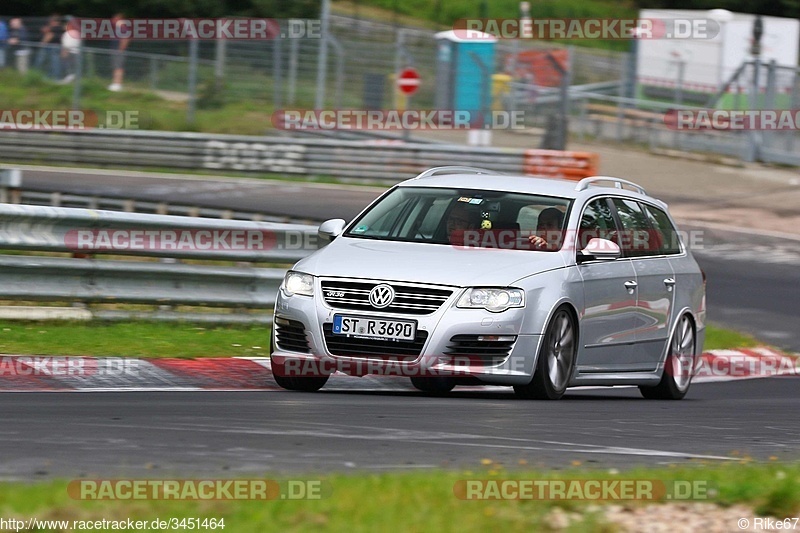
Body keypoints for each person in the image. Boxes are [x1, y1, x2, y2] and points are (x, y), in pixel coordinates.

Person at [35, 14, 62, 79]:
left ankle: (54, 77)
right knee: (54, 62)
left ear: (54, 21)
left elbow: (49, 36)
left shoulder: (54, 28)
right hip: (57, 46)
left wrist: (42, 43)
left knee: (53, 62)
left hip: (52, 47)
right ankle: (53, 75)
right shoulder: (60, 28)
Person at [108, 13, 129, 92]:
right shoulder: (116, 29)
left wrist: (120, 50)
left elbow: (125, 39)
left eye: (115, 19)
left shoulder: (123, 29)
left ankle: (118, 84)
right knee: (115, 67)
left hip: (118, 50)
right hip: (114, 49)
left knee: (119, 67)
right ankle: (115, 83)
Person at [60, 17, 80, 83]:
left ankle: (69, 78)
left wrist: (64, 51)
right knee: (75, 67)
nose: (63, 27)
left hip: (69, 52)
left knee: (69, 66)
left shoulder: (67, 34)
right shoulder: (77, 33)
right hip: (77, 52)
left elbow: (67, 44)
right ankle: (74, 78)